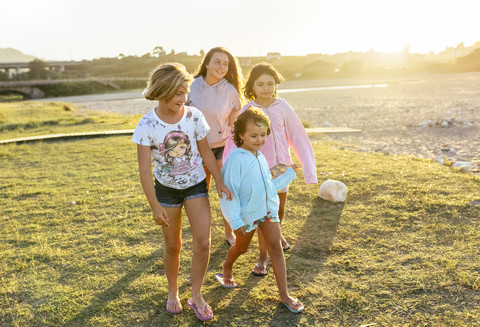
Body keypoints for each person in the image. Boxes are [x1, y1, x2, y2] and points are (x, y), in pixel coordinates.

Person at [132, 63, 232, 322]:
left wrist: (219, 181)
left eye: (185, 92)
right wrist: (155, 205)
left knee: (203, 242)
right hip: (166, 191)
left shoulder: (194, 116)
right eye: (178, 93)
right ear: (162, 90)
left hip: (196, 185)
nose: (183, 98)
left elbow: (206, 152)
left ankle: (196, 294)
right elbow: (144, 171)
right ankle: (173, 291)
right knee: (173, 246)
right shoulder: (147, 125)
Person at [223, 63, 317, 277]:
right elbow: (233, 142)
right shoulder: (247, 111)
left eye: (270, 83)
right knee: (262, 215)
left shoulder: (283, 107)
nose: (266, 88)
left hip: (281, 170)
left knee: (278, 212)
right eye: (260, 84)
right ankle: (263, 258)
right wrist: (227, 176)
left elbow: (298, 135)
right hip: (255, 174)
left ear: (276, 85)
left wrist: (308, 170)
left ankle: (276, 238)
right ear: (252, 86)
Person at [215, 107, 304, 313]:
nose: (259, 140)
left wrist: (288, 175)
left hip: (268, 211)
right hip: (246, 215)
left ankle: (284, 295)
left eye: (263, 135)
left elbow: (268, 187)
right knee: (242, 248)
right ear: (241, 135)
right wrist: (235, 222)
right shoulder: (235, 160)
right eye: (253, 135)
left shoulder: (261, 157)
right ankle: (227, 267)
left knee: (276, 248)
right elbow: (229, 194)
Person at [187, 47, 243, 246]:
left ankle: (229, 231)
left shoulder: (230, 91)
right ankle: (201, 233)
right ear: (207, 63)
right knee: (201, 192)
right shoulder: (191, 86)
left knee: (225, 190)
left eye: (225, 64)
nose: (221, 66)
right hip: (196, 149)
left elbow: (236, 124)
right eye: (217, 62)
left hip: (222, 147)